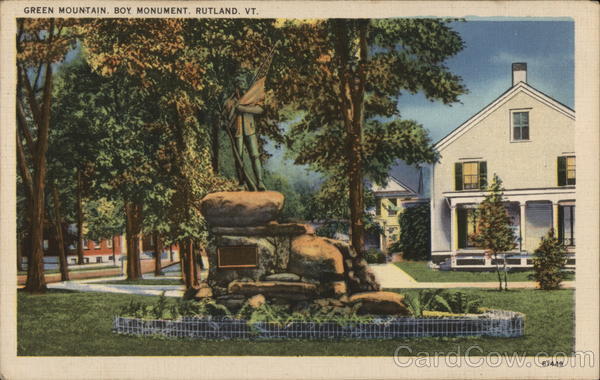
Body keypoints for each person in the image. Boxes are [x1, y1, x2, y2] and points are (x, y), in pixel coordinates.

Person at [224, 77, 267, 191]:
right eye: (239, 84)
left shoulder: (250, 98)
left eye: (243, 83)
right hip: (237, 130)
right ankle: (242, 183)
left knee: (255, 156)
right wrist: (233, 110)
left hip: (250, 129)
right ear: (236, 86)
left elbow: (260, 109)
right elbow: (227, 118)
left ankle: (260, 182)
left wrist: (242, 108)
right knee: (239, 157)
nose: (241, 87)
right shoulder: (230, 101)